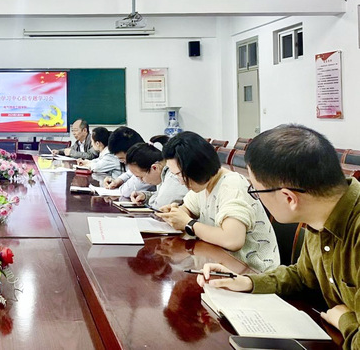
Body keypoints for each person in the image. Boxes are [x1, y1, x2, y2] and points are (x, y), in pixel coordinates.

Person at [195, 125, 360, 348]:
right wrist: (247, 281)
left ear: (289, 198)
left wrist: (345, 320)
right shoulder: (320, 215)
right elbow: (302, 276)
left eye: (255, 191)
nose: (256, 199)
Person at [156, 131, 280, 272]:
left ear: (196, 167)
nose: (180, 182)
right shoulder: (203, 184)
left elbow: (232, 240)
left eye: (180, 175)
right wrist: (175, 213)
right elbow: (187, 209)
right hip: (222, 263)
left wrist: (188, 223)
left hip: (253, 272)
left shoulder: (232, 185)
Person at [125, 135, 188, 209]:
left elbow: (158, 206)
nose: (141, 181)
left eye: (141, 177)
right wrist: (145, 196)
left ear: (155, 168)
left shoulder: (173, 177)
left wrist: (151, 200)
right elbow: (161, 195)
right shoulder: (163, 173)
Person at [102, 126, 150, 195]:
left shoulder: (147, 164)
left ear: (132, 151)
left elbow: (126, 191)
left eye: (122, 158)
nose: (123, 162)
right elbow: (129, 173)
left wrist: (119, 184)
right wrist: (117, 181)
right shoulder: (142, 157)